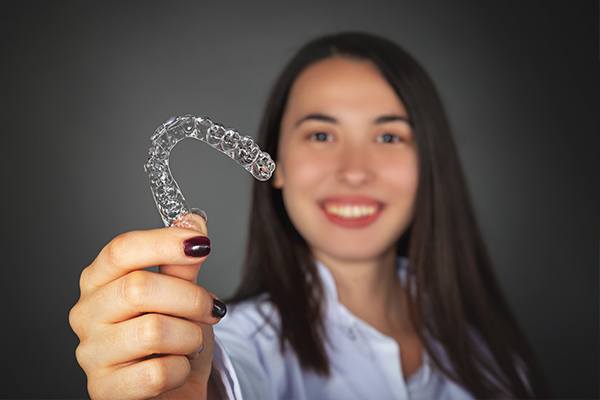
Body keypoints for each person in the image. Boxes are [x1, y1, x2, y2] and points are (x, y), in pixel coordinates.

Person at [68, 31, 551, 399]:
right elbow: (223, 378)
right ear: (275, 163)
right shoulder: (236, 344)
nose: (354, 172)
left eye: (388, 137)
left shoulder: (490, 351)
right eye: (321, 135)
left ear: (429, 162)